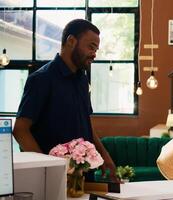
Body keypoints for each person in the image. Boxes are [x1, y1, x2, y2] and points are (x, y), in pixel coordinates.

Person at [13, 19, 119, 182]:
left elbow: (86, 123)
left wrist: (105, 156)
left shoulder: (82, 80)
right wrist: (47, 171)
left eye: (96, 49)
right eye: (91, 47)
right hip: (53, 182)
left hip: (83, 176)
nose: (94, 54)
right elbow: (20, 130)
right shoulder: (42, 79)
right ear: (71, 41)